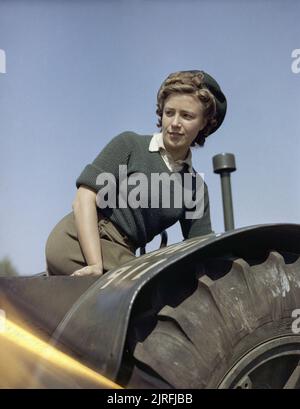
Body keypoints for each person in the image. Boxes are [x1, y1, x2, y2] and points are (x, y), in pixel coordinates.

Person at [45, 70, 227, 276]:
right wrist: (95, 265)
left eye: (186, 116)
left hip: (124, 258)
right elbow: (83, 199)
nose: (175, 123)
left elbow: (200, 248)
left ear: (204, 123)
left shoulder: (195, 188)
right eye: (169, 113)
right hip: (79, 243)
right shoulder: (130, 145)